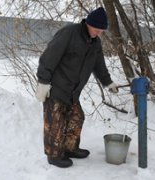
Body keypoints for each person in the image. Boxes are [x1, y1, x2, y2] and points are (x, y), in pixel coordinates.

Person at [35, 7, 118, 168]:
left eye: (101, 31)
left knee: (76, 117)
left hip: (73, 91)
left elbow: (99, 66)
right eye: (96, 29)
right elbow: (49, 56)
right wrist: (43, 82)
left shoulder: (95, 43)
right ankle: (54, 156)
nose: (98, 33)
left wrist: (108, 82)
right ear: (88, 23)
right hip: (56, 87)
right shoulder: (69, 33)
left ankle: (69, 148)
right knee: (55, 122)